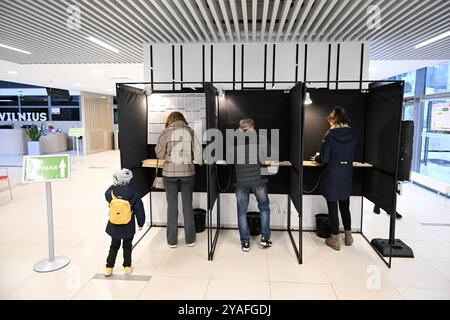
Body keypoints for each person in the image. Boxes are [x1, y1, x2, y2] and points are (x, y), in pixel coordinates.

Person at [313, 106, 359, 251]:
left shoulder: (330, 135)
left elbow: (325, 158)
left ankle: (335, 239)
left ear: (333, 120)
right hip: (346, 174)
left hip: (332, 175)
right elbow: (355, 156)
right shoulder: (353, 134)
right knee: (345, 206)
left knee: (333, 208)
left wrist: (317, 158)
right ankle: (349, 236)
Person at [155, 112, 203, 248]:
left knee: (172, 206)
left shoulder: (165, 132)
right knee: (187, 206)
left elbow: (158, 153)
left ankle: (172, 241)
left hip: (169, 173)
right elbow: (198, 154)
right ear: (183, 120)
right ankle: (190, 240)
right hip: (188, 172)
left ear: (170, 120)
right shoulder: (190, 131)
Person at [232, 119, 272, 252]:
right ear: (252, 128)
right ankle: (265, 239)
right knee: (264, 208)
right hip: (258, 180)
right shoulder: (260, 139)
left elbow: (228, 159)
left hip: (241, 182)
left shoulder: (234, 140)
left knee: (242, 212)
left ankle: (245, 243)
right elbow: (269, 154)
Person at [104, 169, 145, 277]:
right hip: (128, 225)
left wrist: (114, 186)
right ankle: (127, 266)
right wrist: (141, 223)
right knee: (127, 246)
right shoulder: (134, 193)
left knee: (114, 246)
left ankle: (109, 267)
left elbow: (106, 194)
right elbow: (139, 210)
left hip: (114, 225)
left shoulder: (111, 193)